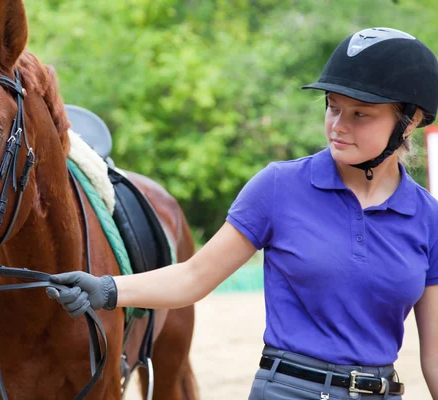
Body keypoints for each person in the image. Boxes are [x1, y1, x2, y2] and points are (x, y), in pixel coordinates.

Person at [46, 27, 438, 399]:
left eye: (360, 114)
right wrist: (108, 289)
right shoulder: (279, 187)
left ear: (410, 120)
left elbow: (435, 356)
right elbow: (194, 276)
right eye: (333, 108)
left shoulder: (428, 219)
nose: (338, 126)